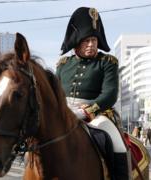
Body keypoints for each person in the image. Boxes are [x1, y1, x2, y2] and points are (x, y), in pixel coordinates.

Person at [56, 7, 131, 179]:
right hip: (63, 112)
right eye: (86, 40)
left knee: (116, 142)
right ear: (76, 41)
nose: (91, 44)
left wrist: (86, 110)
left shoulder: (107, 62)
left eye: (94, 39)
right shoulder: (63, 64)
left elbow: (110, 94)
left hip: (97, 114)